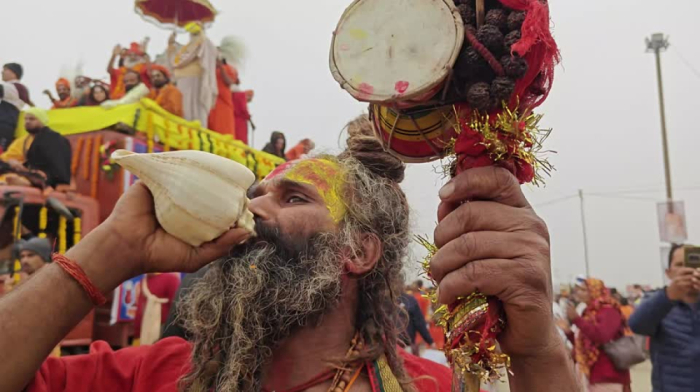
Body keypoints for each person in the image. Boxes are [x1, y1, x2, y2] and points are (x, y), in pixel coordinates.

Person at [0, 115, 580, 392]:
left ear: (357, 250)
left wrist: (540, 350)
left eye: (292, 196)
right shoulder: (157, 373)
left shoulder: (428, 388)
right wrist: (111, 247)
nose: (254, 207)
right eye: (254, 193)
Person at [629, 244, 700, 392]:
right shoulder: (657, 302)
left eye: (694, 264)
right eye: (680, 265)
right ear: (669, 273)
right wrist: (669, 296)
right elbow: (637, 324)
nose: (688, 270)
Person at [563, 278, 630, 392]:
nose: (579, 292)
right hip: (592, 374)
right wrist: (568, 332)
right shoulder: (588, 313)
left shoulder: (608, 311)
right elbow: (584, 344)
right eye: (579, 289)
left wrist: (577, 319)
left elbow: (602, 336)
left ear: (594, 291)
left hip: (608, 374)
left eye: (584, 290)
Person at [167, 22, 218, 125]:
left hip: (194, 79)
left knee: (195, 108)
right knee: (183, 107)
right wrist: (171, 44)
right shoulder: (186, 47)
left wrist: (201, 36)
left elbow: (206, 55)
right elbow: (175, 62)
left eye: (196, 30)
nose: (193, 32)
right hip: (181, 81)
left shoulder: (204, 43)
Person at [19, 107, 72, 188]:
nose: (27, 121)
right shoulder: (38, 138)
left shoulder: (53, 138)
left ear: (42, 120)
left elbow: (58, 164)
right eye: (25, 119)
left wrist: (51, 182)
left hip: (50, 183)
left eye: (32, 119)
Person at [132, 273, 181, 346]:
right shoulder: (144, 280)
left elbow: (177, 308)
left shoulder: (171, 279)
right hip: (143, 330)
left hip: (162, 330)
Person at [0, 63, 31, 151]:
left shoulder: (17, 87)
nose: (2, 72)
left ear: (14, 73)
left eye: (5, 69)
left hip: (4, 125)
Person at [398, 290, 434, 355]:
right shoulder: (410, 299)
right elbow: (419, 322)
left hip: (386, 347)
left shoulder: (380, 300)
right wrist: (430, 341)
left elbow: (419, 322)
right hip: (406, 345)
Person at [207, 58, 237, 135]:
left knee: (224, 126)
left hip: (224, 101)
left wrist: (221, 67)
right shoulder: (212, 68)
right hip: (213, 99)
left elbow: (229, 81)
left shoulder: (229, 67)